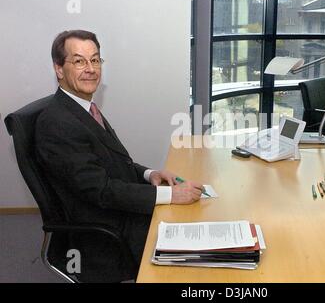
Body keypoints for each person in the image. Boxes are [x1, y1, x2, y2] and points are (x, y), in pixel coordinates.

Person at [35, 30, 203, 282]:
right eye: (79, 61)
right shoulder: (57, 123)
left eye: (95, 60)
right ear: (59, 69)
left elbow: (114, 164)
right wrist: (170, 195)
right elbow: (101, 190)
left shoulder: (83, 108)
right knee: (195, 250)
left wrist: (150, 174)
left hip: (117, 212)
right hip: (106, 231)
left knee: (196, 221)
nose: (90, 68)